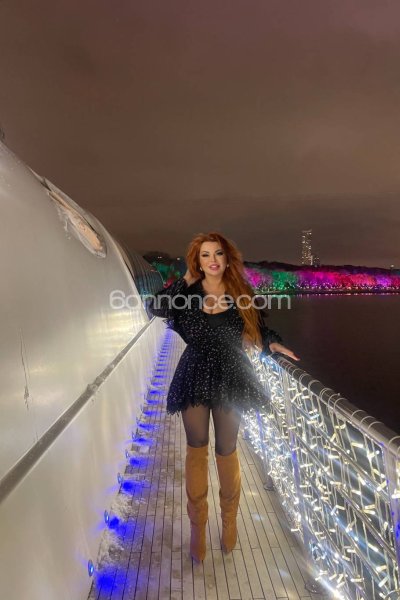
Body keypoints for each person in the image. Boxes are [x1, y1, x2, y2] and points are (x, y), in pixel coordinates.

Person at [147, 232, 299, 563]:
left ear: (227, 258)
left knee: (226, 449)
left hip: (232, 373)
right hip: (195, 371)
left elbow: (258, 328)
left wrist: (272, 343)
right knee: (196, 448)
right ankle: (198, 526)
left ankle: (229, 520)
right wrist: (185, 280)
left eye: (218, 253)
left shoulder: (240, 292)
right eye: (205, 255)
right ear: (197, 261)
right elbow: (155, 306)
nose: (212, 260)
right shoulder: (186, 294)